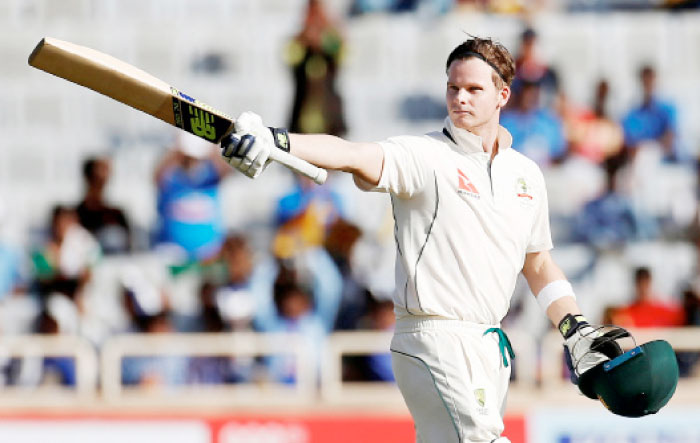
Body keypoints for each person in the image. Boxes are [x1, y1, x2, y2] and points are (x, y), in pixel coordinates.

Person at [221, 37, 616, 443]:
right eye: (453, 87)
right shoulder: (425, 155)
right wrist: (278, 141)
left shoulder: (526, 174)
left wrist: (574, 328)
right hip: (433, 337)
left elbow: (538, 264)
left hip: (489, 347)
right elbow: (352, 154)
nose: (460, 97)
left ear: (503, 94)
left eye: (473, 89)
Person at [153, 134, 231, 262]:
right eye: (187, 159)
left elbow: (226, 171)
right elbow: (157, 176)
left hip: (208, 253)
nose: (191, 162)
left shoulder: (209, 179)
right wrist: (179, 148)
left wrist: (209, 146)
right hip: (173, 254)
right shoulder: (171, 180)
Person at [75, 156, 132, 254]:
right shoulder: (75, 216)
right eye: (98, 174)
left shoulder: (117, 214)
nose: (105, 177)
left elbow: (129, 247)